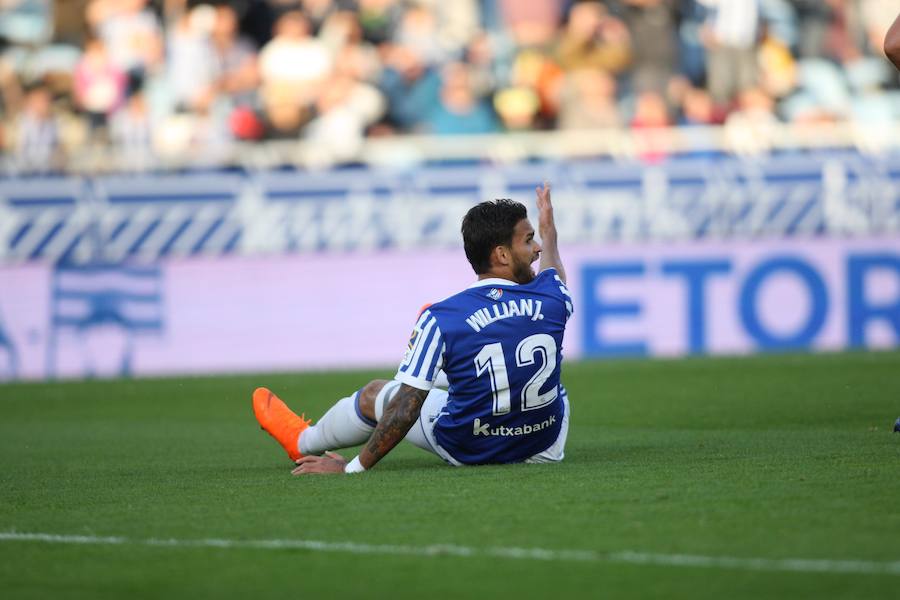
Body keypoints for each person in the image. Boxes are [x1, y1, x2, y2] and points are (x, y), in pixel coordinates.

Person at [253, 182, 573, 474]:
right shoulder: (553, 297)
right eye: (529, 240)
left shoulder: (442, 315)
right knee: (548, 384)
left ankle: (303, 441)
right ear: (502, 254)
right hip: (543, 446)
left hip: (471, 448)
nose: (538, 248)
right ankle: (447, 363)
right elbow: (554, 275)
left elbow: (405, 409)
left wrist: (351, 468)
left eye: (536, 239)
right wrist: (550, 232)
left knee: (378, 393)